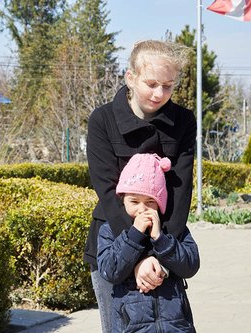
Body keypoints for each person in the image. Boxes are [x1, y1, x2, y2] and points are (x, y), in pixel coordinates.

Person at [84, 40, 196, 333]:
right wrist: (135, 256)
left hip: (166, 241)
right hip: (113, 244)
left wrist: (160, 253)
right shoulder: (103, 120)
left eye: (168, 85)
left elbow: (181, 193)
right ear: (130, 77)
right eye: (151, 83)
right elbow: (107, 193)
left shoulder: (183, 121)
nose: (160, 93)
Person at [97, 153, 200, 332]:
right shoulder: (111, 230)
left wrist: (161, 239)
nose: (142, 209)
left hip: (176, 326)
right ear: (123, 199)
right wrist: (134, 235)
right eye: (134, 201)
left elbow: (191, 265)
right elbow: (110, 270)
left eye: (150, 201)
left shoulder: (172, 229)